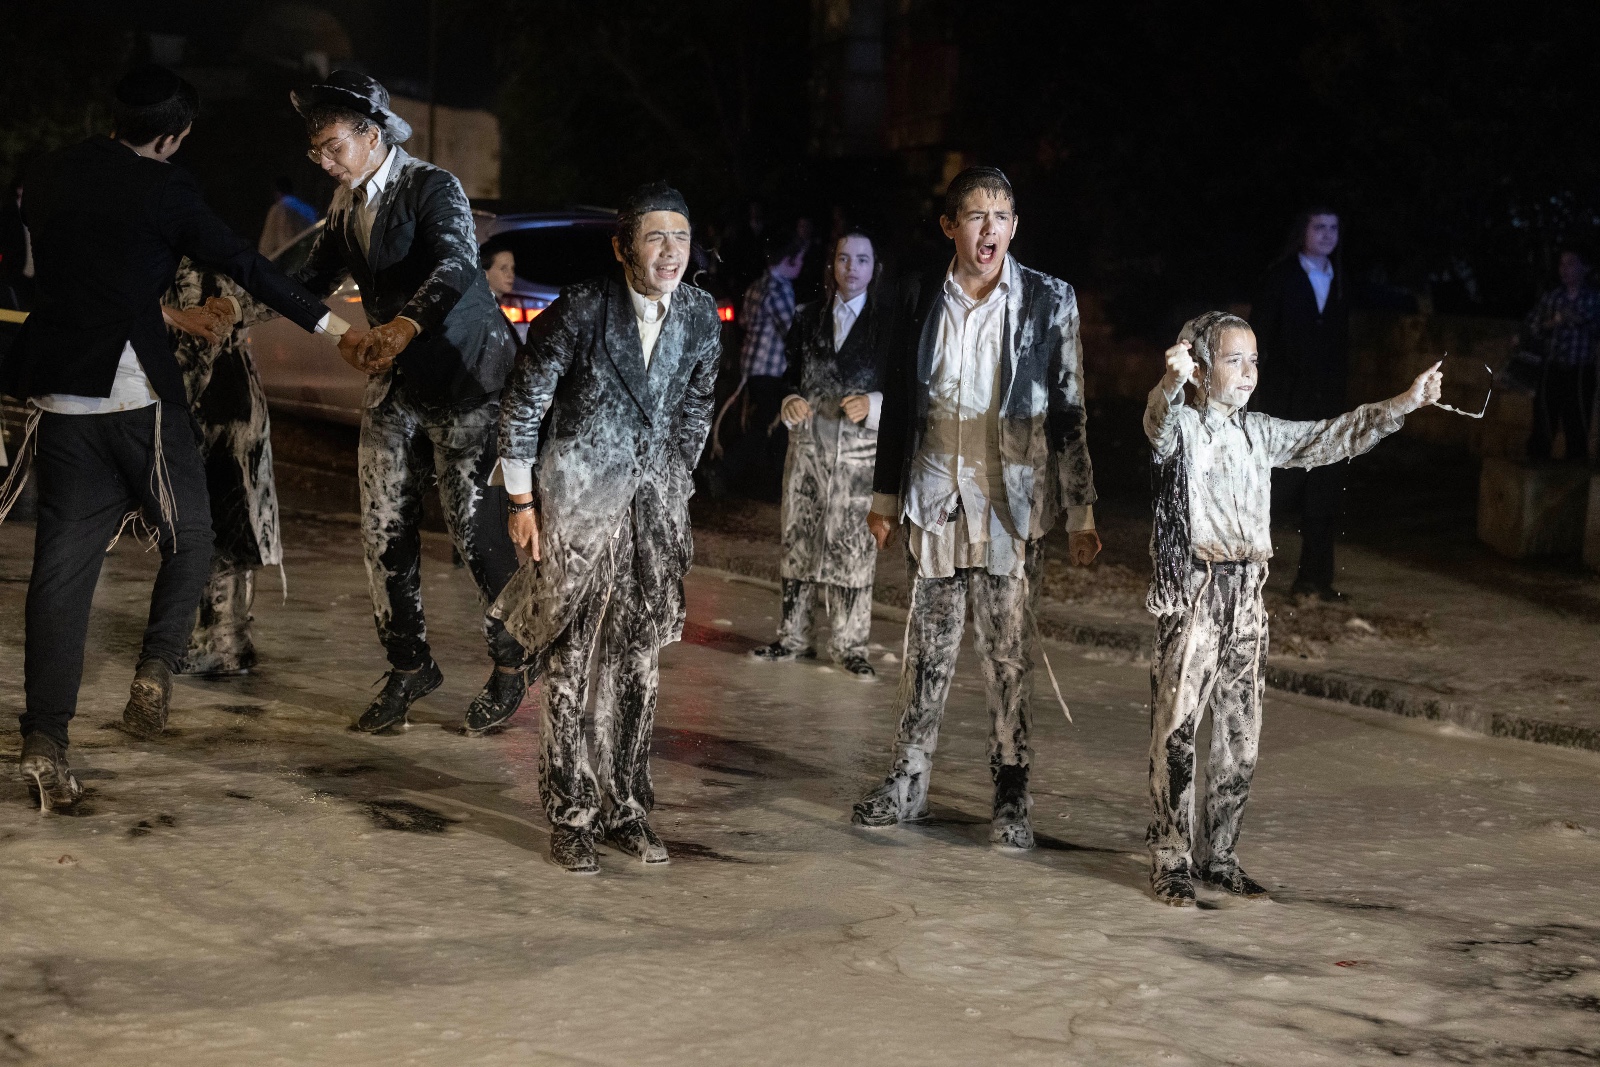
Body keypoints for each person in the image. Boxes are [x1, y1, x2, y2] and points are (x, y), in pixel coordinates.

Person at [0, 65, 353, 810]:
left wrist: (156, 308)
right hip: (137, 398)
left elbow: (94, 274)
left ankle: (45, 739)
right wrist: (332, 324)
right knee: (192, 536)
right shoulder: (167, 189)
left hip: (60, 398)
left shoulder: (50, 174)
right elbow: (245, 264)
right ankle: (155, 670)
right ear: (174, 135)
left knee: (60, 577)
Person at [1143, 311, 1442, 905]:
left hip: (1247, 599)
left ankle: (1219, 855)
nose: (1248, 372)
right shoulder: (1185, 428)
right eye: (1234, 360)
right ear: (1201, 368)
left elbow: (1331, 437)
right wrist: (1170, 383)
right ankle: (1171, 857)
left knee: (1241, 737)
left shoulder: (1260, 432)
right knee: (1177, 733)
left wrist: (1403, 404)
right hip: (1197, 595)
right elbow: (1157, 424)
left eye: (1254, 360)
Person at [850, 166, 1102, 851]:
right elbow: (901, 401)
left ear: (1015, 226)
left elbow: (1070, 409)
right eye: (975, 216)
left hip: (1009, 508)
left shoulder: (1048, 299)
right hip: (935, 497)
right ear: (949, 227)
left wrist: (1081, 510)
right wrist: (883, 497)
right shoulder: (916, 294)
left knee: (1007, 659)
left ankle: (1012, 795)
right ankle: (907, 783)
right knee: (925, 654)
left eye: (1001, 216)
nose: (989, 229)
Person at [289, 71, 529, 738]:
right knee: (382, 528)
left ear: (372, 135)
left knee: (475, 534)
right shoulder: (345, 208)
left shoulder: (433, 186)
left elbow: (455, 265)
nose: (324, 160)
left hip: (467, 381)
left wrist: (402, 326)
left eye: (333, 146)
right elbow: (306, 282)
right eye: (316, 150)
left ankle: (514, 659)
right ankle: (409, 664)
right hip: (397, 385)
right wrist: (237, 307)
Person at [490, 181, 721, 873]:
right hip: (579, 507)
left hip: (653, 512)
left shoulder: (700, 314)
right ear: (623, 247)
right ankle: (571, 813)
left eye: (680, 237)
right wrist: (521, 503)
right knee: (572, 661)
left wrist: (675, 476)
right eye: (655, 237)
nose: (671, 252)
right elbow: (523, 404)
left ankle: (626, 807)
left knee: (639, 663)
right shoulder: (583, 309)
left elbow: (698, 402)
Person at [750, 229, 888, 677]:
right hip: (809, 449)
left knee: (854, 547)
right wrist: (789, 399)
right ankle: (794, 636)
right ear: (833, 264)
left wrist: (874, 404)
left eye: (862, 259)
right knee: (799, 538)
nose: (852, 268)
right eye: (844, 258)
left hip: (858, 457)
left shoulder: (888, 324)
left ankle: (850, 646)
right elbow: (789, 375)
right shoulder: (807, 317)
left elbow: (905, 391)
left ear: (874, 268)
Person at [162, 258, 285, 676]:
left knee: (217, 523)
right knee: (227, 521)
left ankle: (221, 641)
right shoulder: (211, 257)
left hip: (217, 405)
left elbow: (198, 346)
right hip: (231, 398)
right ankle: (224, 639)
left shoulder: (195, 266)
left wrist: (172, 404)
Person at [1251, 208, 1352, 601]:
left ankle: (1315, 580)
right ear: (1303, 231)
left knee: (1323, 491)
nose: (1327, 234)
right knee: (1276, 488)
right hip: (1286, 402)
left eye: (1333, 228)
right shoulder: (1281, 277)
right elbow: (1260, 336)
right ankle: (1243, 573)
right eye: (1319, 227)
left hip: (1327, 406)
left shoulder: (1339, 278)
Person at [727, 230, 806, 499]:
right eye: (800, 260)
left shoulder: (757, 285)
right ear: (789, 260)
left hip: (751, 364)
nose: (801, 265)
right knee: (771, 422)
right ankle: (729, 470)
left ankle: (748, 474)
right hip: (769, 368)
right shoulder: (780, 289)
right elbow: (790, 331)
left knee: (765, 421)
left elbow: (744, 321)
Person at [1521, 247, 1600, 462]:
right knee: (1545, 417)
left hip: (1580, 370)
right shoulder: (1552, 298)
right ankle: (1537, 462)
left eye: (1571, 263)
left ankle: (1575, 466)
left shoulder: (1593, 299)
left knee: (1577, 420)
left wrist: (1579, 320)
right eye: (1562, 264)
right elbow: (1531, 327)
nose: (1564, 269)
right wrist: (1552, 323)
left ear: (1584, 268)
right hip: (1552, 367)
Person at [258, 176, 319, 258]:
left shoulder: (279, 209)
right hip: (307, 257)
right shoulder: (308, 210)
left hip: (288, 258)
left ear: (277, 192)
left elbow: (268, 241)